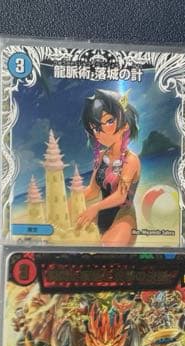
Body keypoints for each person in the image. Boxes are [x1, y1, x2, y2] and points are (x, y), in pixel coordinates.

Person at [76, 89, 141, 246]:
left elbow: (120, 196)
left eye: (109, 121)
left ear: (125, 125)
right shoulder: (101, 157)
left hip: (123, 219)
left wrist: (95, 208)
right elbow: (92, 190)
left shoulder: (131, 160)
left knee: (105, 251)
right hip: (101, 217)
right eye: (95, 127)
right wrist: (72, 200)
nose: (99, 133)